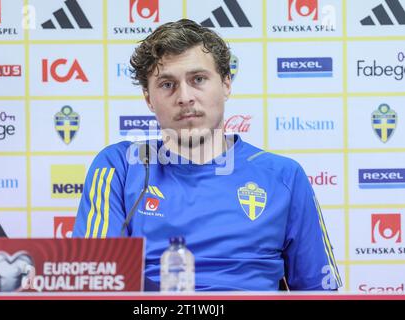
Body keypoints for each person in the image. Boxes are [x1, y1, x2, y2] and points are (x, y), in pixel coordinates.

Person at [73, 19, 342, 291]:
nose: (185, 97)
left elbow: (318, 291)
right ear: (148, 98)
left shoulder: (284, 176)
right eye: (167, 84)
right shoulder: (119, 166)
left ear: (226, 84)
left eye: (198, 79)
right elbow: (95, 285)